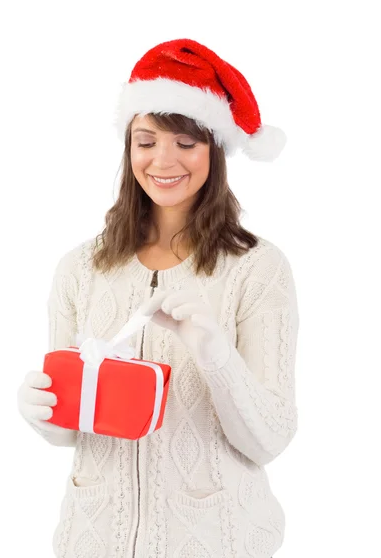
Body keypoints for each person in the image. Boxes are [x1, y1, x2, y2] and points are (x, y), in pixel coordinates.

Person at [17, 38, 299, 558]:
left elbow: (270, 439)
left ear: (214, 149)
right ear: (129, 148)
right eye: (146, 141)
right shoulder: (80, 268)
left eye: (185, 143)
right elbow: (75, 431)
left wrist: (217, 357)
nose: (163, 160)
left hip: (217, 541)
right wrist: (43, 415)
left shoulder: (257, 269)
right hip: (93, 540)